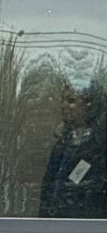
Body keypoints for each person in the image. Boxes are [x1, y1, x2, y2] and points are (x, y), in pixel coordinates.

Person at [39, 73, 107, 217]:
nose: (64, 105)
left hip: (84, 229)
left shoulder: (100, 145)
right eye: (63, 99)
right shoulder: (62, 143)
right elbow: (48, 189)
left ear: (89, 105)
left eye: (71, 100)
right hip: (53, 225)